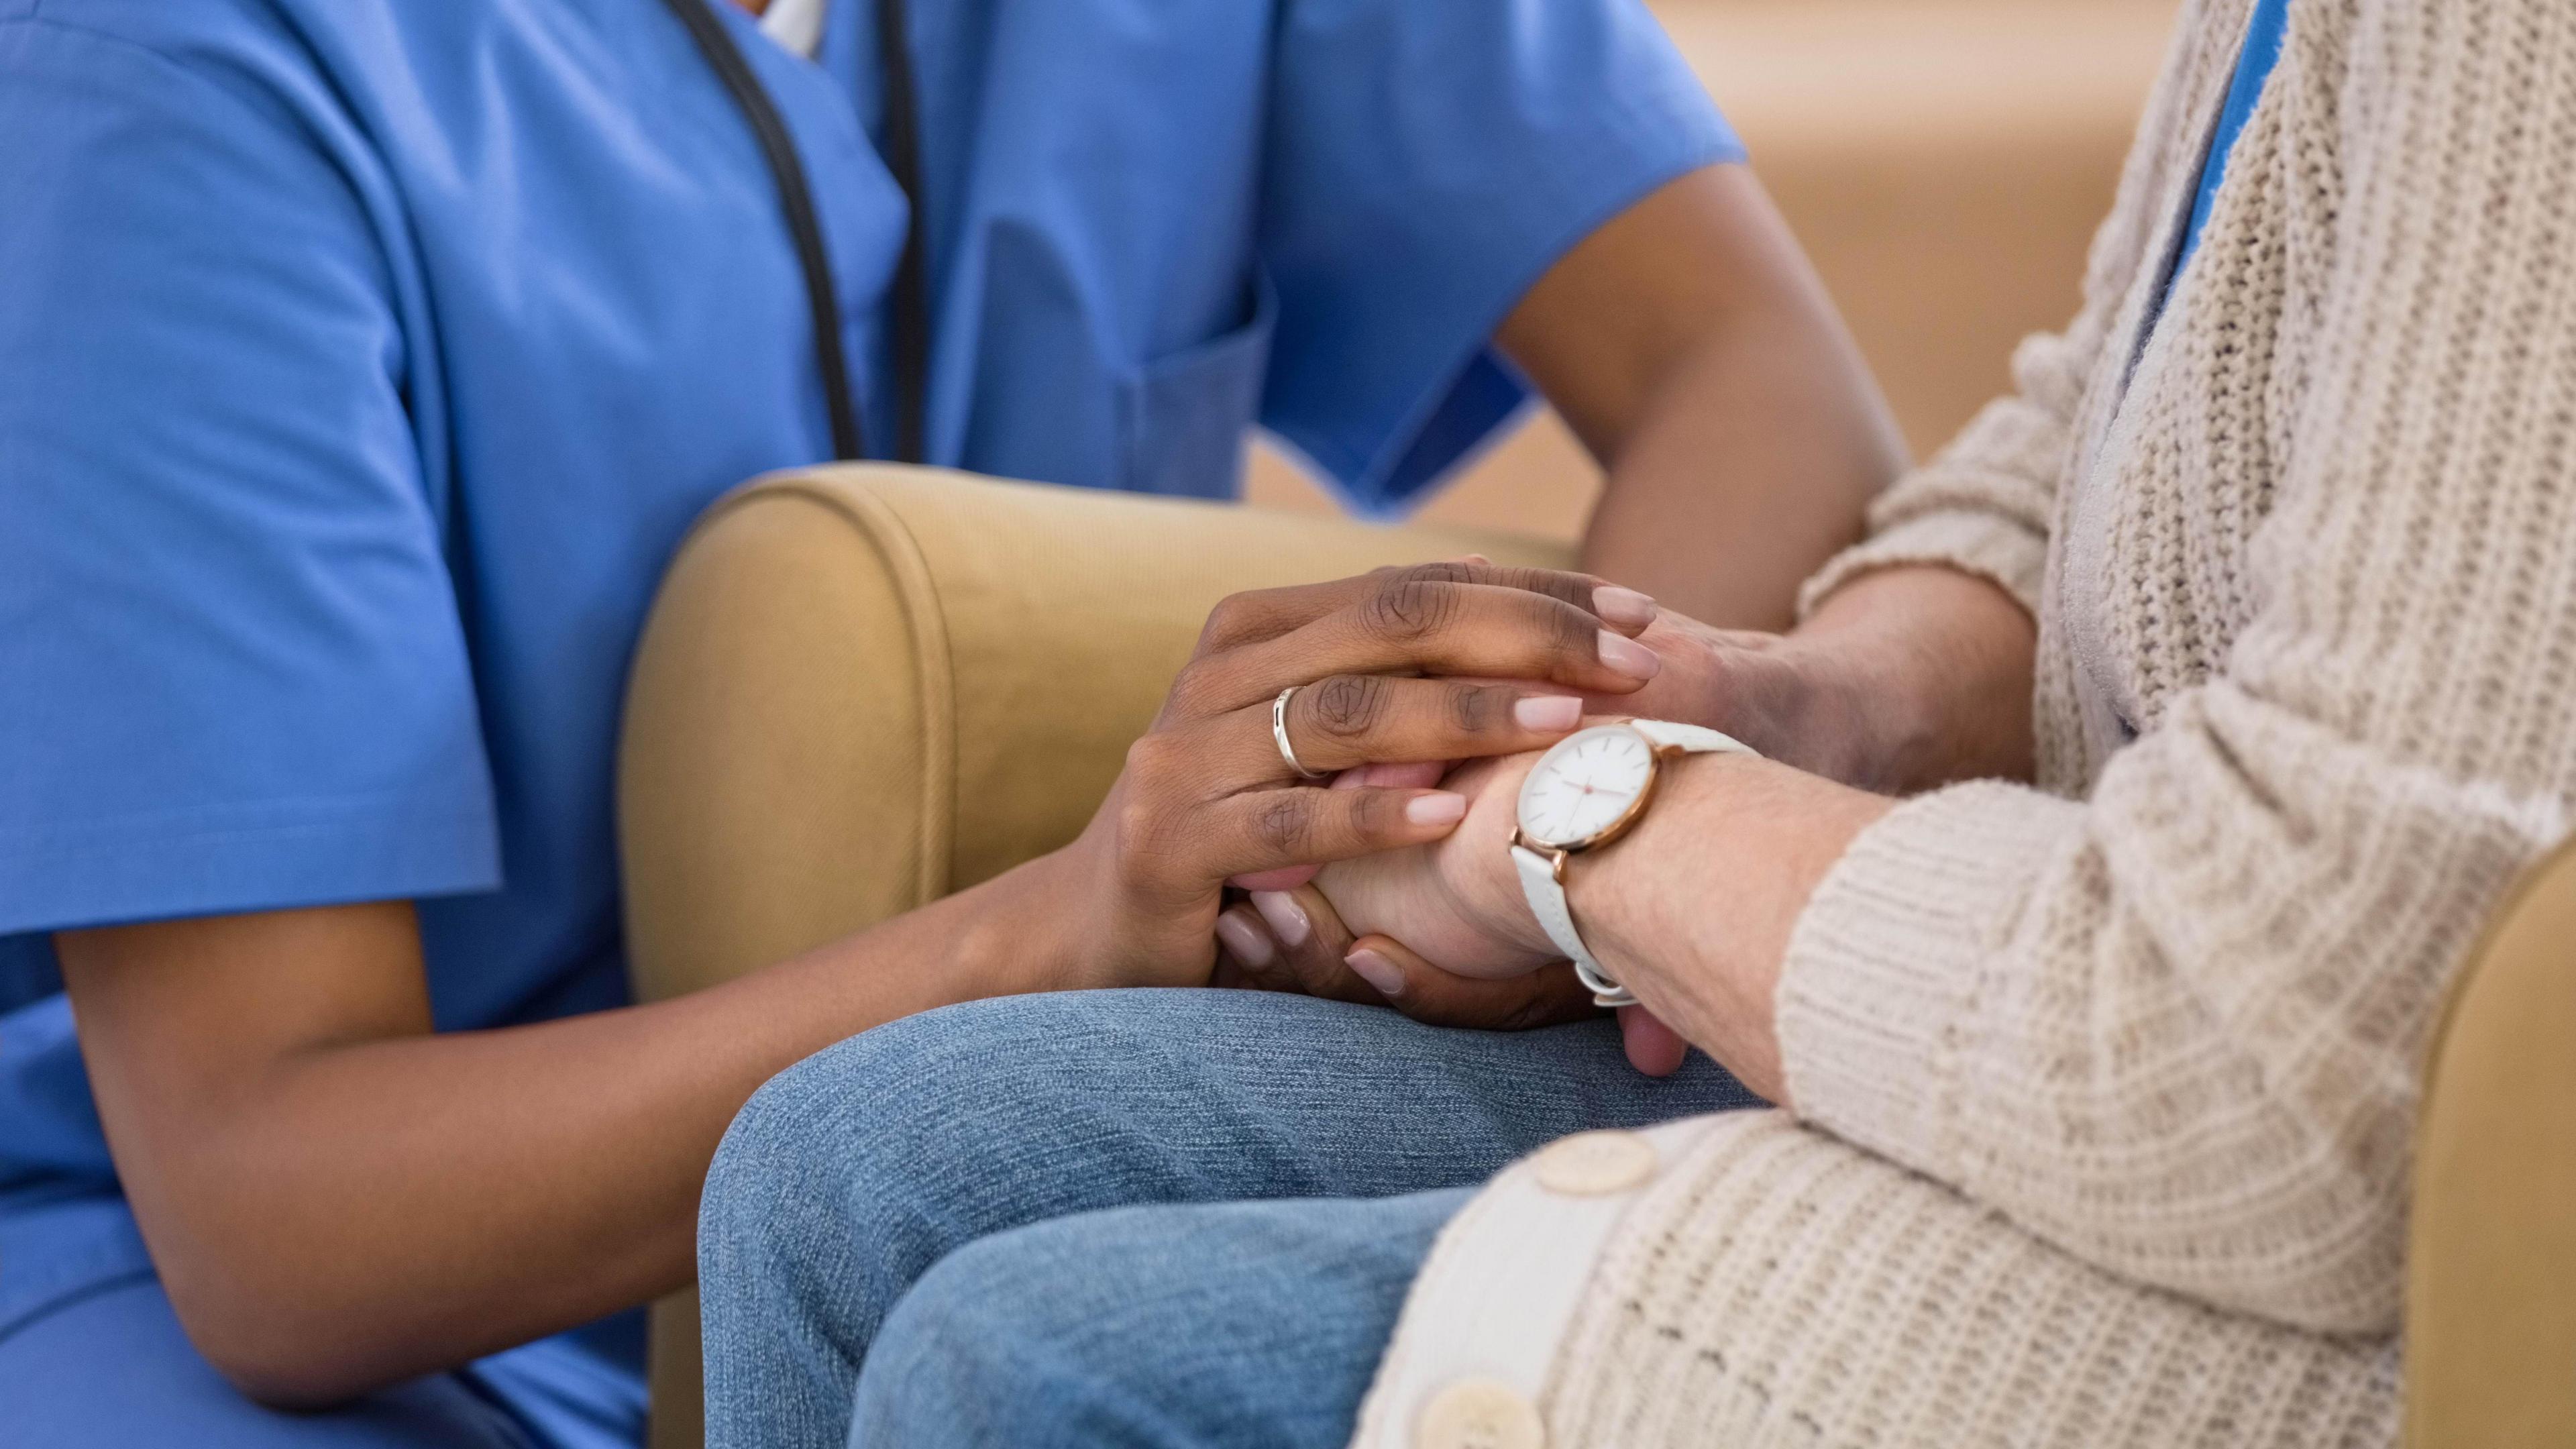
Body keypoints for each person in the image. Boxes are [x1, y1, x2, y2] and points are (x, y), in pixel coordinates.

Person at [0, 0, 1906, 1442]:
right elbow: (270, 1218)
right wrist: (1052, 933)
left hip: (1049, 1121)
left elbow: (1752, 376)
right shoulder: (164, 71)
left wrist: (1518, 816)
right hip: (292, 1287)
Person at [695, 0, 2576, 1444]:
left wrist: (1595, 825)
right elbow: (2103, 431)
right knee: (838, 1171)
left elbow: (2276, 1070)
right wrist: (1800, 698)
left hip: (2292, 1207)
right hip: (2052, 995)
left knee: (1022, 1363)